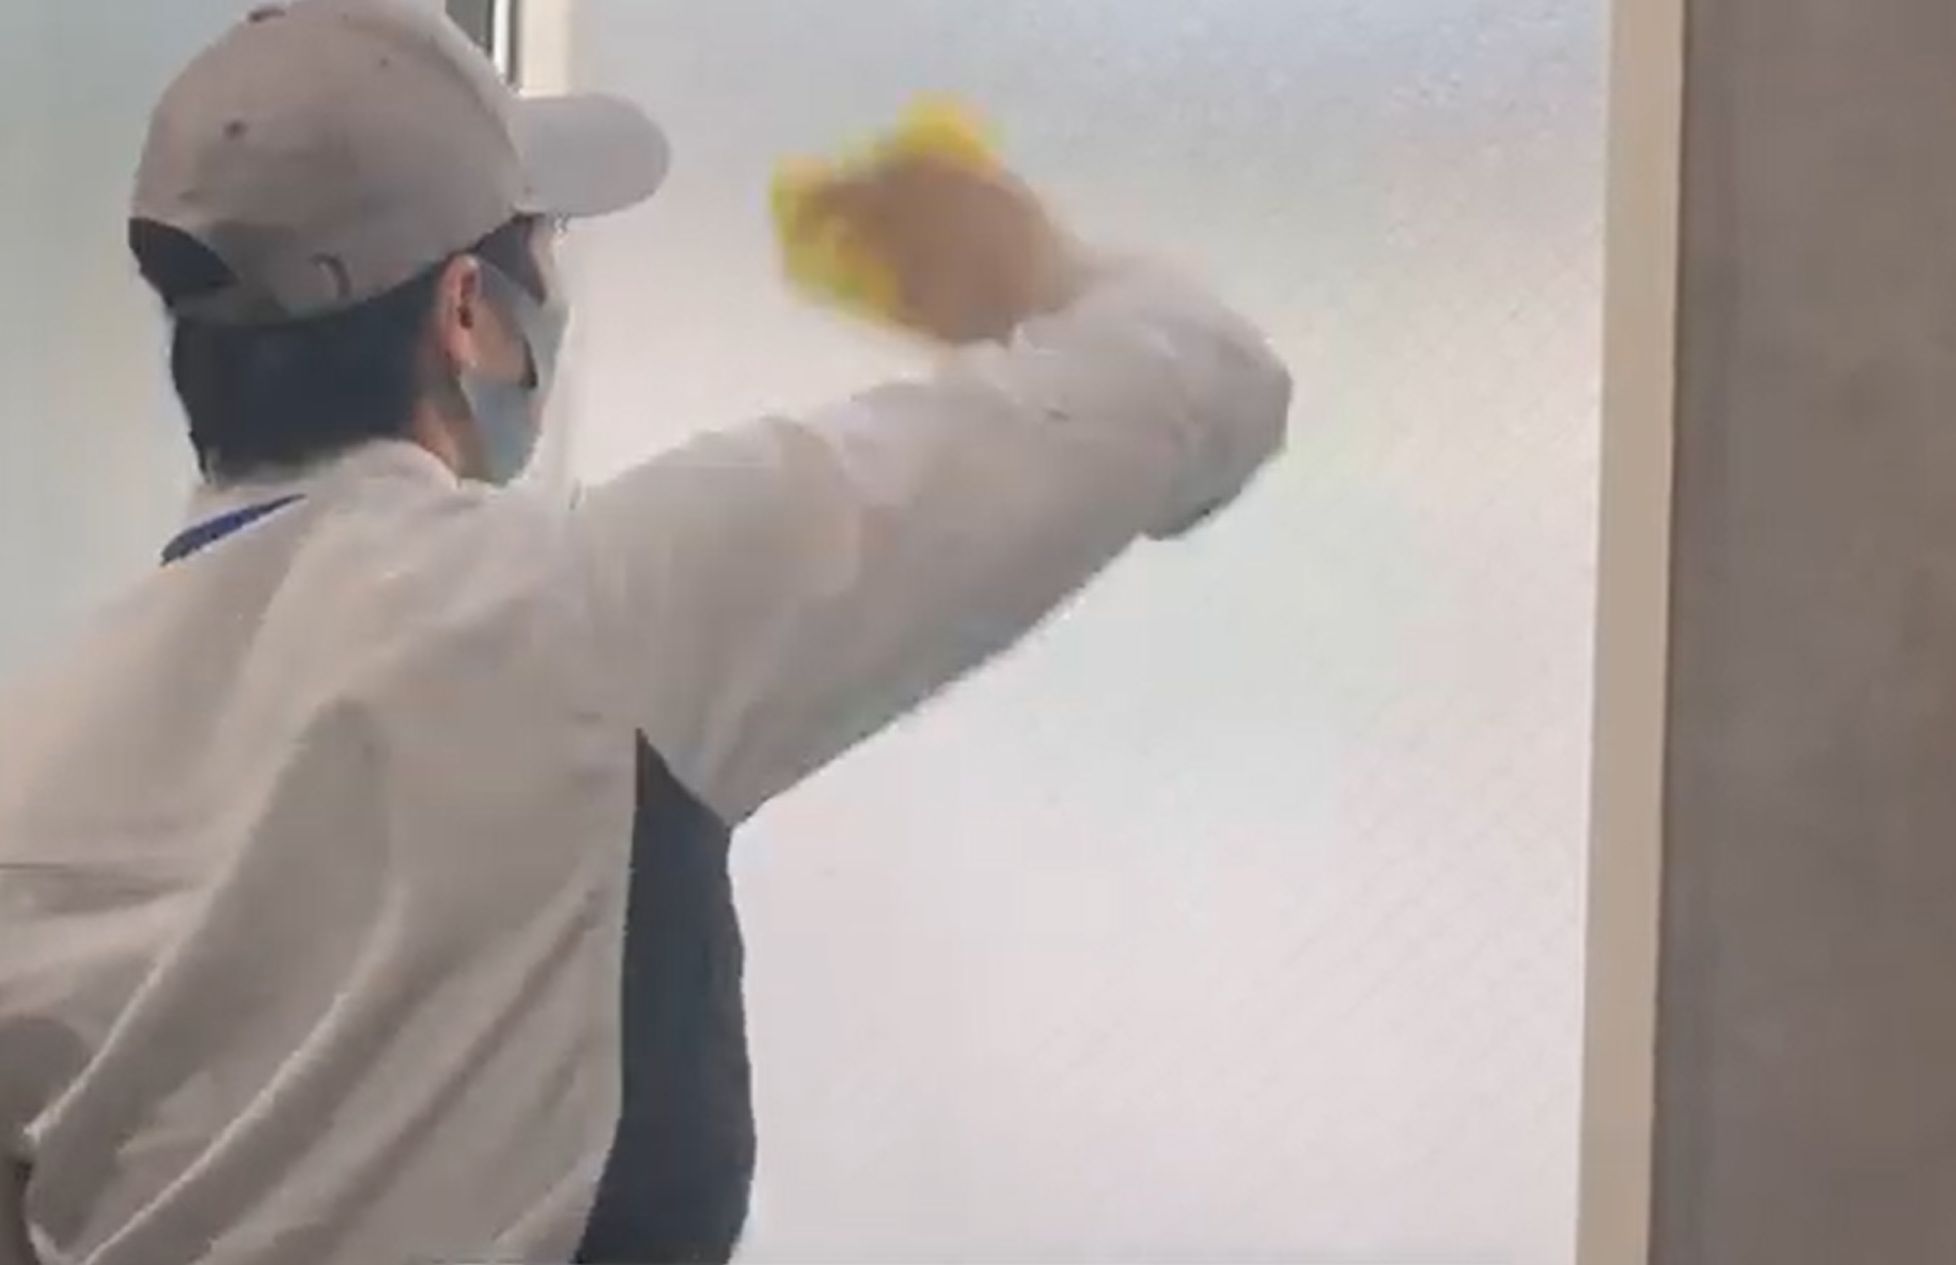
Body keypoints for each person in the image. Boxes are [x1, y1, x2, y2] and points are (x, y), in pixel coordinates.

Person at [0, 1, 1290, 1262]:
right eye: (545, 241)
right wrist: (1035, 273)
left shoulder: (31, 758)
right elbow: (1201, 385)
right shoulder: (588, 616)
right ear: (468, 312)